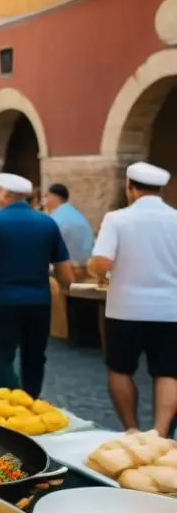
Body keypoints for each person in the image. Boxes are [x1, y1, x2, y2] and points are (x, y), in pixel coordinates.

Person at [0, 173, 74, 398]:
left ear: (3, 193)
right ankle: (31, 400)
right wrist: (69, 289)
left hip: (3, 300)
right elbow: (64, 267)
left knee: (1, 357)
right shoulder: (47, 222)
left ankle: (15, 400)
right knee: (35, 357)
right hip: (39, 302)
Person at [89, 162, 177, 436]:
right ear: (161, 189)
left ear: (130, 186)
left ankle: (132, 429)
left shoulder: (117, 219)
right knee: (168, 373)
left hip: (125, 308)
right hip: (170, 309)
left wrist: (101, 273)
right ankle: (161, 435)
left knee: (120, 369)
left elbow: (101, 262)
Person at [43, 183, 95, 269]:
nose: (44, 199)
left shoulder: (57, 218)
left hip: (68, 268)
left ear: (55, 197)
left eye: (46, 196)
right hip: (85, 267)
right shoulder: (74, 213)